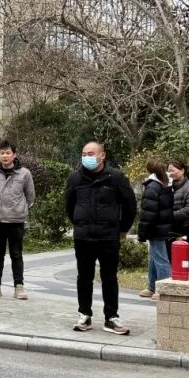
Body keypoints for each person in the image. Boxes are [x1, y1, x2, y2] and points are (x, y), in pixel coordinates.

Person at [65, 141, 137, 334]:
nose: (86, 157)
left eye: (91, 153)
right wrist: (79, 223)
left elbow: (130, 206)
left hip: (108, 236)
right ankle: (84, 315)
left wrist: (123, 229)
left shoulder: (116, 177)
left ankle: (111, 317)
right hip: (84, 237)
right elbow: (69, 206)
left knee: (109, 278)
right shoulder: (75, 178)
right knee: (84, 278)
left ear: (102, 156)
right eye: (84, 154)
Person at [0, 139, 35, 300]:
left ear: (14, 154)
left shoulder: (24, 173)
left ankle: (19, 286)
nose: (5, 156)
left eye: (8, 153)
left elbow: (30, 197)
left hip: (16, 221)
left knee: (16, 254)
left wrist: (20, 209)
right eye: (2, 153)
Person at [137, 159, 174, 298]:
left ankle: (165, 290)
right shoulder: (166, 184)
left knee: (161, 259)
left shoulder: (152, 186)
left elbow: (148, 213)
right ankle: (152, 287)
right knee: (154, 258)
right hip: (162, 227)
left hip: (155, 228)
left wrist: (142, 232)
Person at [168, 159, 189, 270]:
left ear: (182, 171)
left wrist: (170, 216)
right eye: (169, 171)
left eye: (173, 170)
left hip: (186, 226)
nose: (170, 173)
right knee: (172, 255)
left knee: (186, 255)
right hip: (172, 226)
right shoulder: (168, 187)